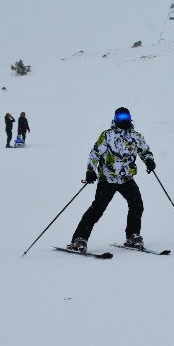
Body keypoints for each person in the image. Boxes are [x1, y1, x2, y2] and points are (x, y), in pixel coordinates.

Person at [68, 107, 156, 253]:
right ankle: (79, 239)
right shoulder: (108, 135)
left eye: (126, 117)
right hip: (107, 179)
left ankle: (132, 236)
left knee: (137, 205)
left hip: (126, 179)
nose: (123, 120)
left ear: (130, 118)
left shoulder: (136, 136)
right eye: (120, 118)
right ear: (115, 119)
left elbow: (144, 150)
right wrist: (90, 171)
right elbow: (95, 153)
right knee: (97, 209)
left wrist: (149, 160)